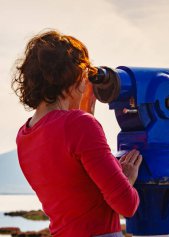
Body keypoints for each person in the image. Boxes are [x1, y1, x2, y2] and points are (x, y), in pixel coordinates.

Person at [11, 30, 142, 237]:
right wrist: (126, 178)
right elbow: (127, 205)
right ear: (74, 77)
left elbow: (74, 186)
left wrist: (84, 110)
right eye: (85, 76)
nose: (86, 85)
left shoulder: (24, 135)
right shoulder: (79, 125)